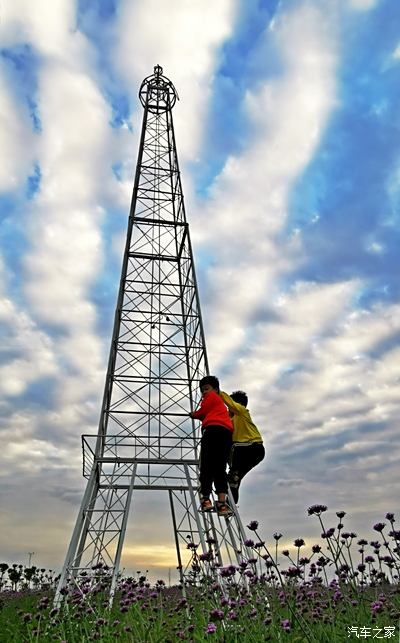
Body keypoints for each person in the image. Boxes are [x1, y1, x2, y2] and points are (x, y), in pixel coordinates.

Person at [189, 375, 234, 517]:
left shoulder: (212, 398)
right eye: (202, 391)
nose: (204, 393)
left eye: (206, 389)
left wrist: (193, 414)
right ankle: (222, 503)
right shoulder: (220, 405)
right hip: (226, 435)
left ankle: (205, 498)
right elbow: (206, 413)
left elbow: (202, 412)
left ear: (216, 389)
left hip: (212, 432)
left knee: (207, 465)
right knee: (220, 468)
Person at [219, 390, 265, 503]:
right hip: (248, 453)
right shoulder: (230, 420)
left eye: (229, 407)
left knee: (231, 446)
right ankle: (231, 503)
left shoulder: (242, 413)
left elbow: (232, 404)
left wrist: (218, 392)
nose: (228, 409)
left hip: (251, 448)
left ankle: (232, 474)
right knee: (233, 479)